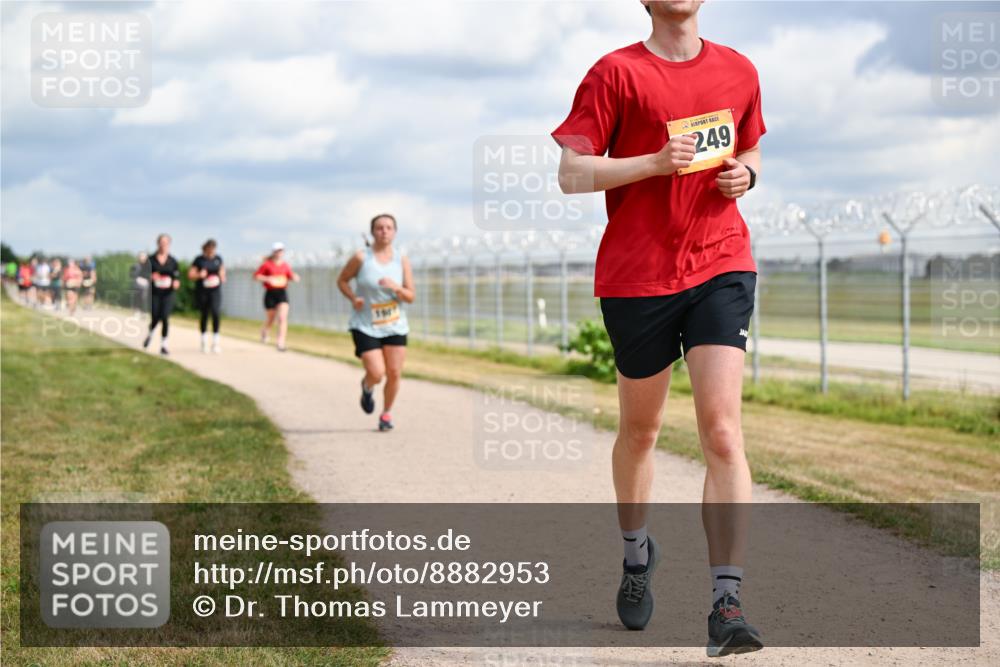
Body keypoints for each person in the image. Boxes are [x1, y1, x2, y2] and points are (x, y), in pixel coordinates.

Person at [552, 0, 765, 656]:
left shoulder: (739, 69)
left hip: (721, 262)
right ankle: (636, 555)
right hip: (638, 277)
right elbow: (571, 173)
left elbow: (750, 143)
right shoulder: (614, 73)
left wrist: (746, 173)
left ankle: (726, 602)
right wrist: (651, 163)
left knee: (722, 430)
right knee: (640, 432)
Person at [337, 214, 415, 432]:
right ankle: (367, 386)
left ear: (395, 232)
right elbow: (341, 280)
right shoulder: (362, 258)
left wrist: (396, 288)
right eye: (380, 228)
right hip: (365, 324)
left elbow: (411, 296)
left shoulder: (402, 260)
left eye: (389, 227)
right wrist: (353, 298)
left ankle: (386, 414)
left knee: (395, 372)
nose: (384, 231)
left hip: (395, 323)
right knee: (377, 373)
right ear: (372, 232)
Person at [253, 242, 299, 352]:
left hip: (282, 292)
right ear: (273, 252)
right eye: (277, 251)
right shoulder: (267, 265)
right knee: (271, 319)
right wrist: (268, 279)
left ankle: (280, 343)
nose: (279, 253)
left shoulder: (285, 265)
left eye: (281, 251)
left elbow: (290, 276)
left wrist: (295, 277)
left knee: (282, 318)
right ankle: (265, 330)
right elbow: (256, 276)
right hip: (270, 293)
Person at [143, 234, 180, 355]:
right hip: (154, 293)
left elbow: (177, 278)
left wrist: (175, 283)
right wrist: (151, 277)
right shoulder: (151, 259)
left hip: (168, 294)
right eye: (161, 242)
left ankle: (164, 345)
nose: (163, 245)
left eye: (166, 243)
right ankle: (150, 335)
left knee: (165, 317)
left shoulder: (173, 261)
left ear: (169, 244)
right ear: (158, 243)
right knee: (155, 316)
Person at [188, 239, 226, 354]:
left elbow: (223, 274)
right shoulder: (199, 260)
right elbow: (191, 275)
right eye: (210, 249)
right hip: (203, 291)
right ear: (205, 249)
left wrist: (222, 276)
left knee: (215, 312)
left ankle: (216, 342)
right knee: (204, 314)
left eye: (213, 249)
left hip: (215, 291)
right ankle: (203, 341)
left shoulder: (218, 259)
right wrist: (200, 275)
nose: (211, 251)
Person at [130, 251, 150, 316]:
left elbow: (150, 275)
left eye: (143, 257)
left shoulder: (148, 266)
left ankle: (143, 311)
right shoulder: (135, 266)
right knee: (137, 297)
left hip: (145, 284)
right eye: (141, 257)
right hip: (137, 284)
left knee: (144, 298)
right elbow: (131, 274)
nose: (142, 258)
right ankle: (136, 311)